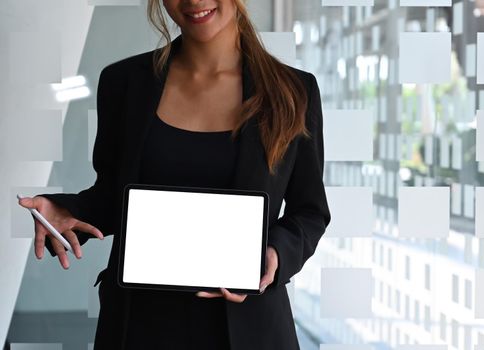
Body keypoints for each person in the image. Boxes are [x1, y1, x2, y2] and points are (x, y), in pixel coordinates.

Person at [17, 0, 331, 349]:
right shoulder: (122, 83)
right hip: (138, 326)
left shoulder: (293, 91)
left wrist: (276, 253)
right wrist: (65, 211)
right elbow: (113, 198)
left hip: (250, 328)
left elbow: (310, 211)